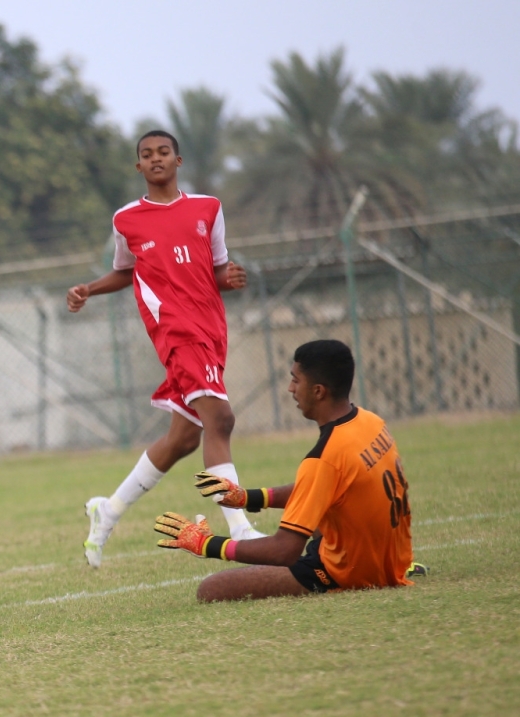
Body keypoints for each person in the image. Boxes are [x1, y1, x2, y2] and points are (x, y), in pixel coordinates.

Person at [67, 129, 262, 569]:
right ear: (138, 166)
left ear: (178, 160)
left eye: (163, 152)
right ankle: (241, 530)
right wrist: (88, 290)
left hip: (211, 330)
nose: (155, 159)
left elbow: (211, 271)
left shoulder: (208, 209)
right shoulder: (126, 220)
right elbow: (126, 272)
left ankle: (108, 509)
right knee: (221, 419)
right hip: (175, 333)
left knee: (183, 439)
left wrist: (225, 280)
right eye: (146, 155)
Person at [154, 339, 417, 602]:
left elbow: (284, 551)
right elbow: (321, 489)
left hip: (350, 572)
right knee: (321, 509)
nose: (290, 388)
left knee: (210, 590)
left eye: (295, 380)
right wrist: (247, 497)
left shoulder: (325, 457)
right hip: (390, 560)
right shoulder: (370, 422)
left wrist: (207, 545)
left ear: (318, 391)